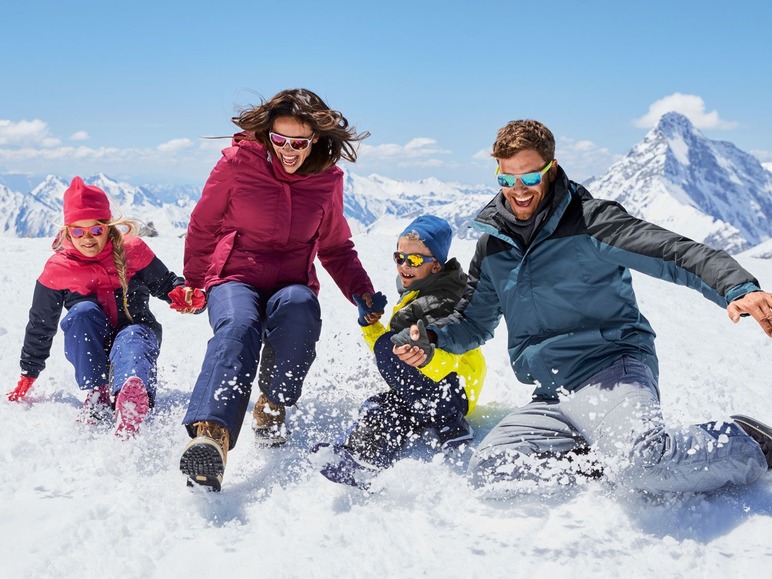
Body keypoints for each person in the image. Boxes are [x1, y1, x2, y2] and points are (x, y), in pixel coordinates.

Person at [392, 119, 772, 495]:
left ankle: (748, 442)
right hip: (552, 394)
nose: (518, 190)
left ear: (551, 169)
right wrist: (432, 337)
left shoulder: (591, 223)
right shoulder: (494, 247)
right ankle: (606, 455)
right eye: (507, 180)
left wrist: (735, 286)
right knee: (491, 468)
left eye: (529, 177)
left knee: (645, 462)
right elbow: (472, 323)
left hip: (611, 370)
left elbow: (673, 253)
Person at [178, 88, 385, 491]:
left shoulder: (327, 179)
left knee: (301, 308)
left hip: (291, 280)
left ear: (315, 141)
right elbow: (203, 225)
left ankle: (272, 402)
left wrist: (361, 291)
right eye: (279, 140)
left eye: (298, 142)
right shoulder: (237, 164)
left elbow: (335, 246)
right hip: (235, 274)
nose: (288, 150)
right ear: (267, 135)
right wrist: (194, 282)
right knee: (239, 327)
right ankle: (212, 435)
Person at [7, 176, 195, 438]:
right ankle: (98, 393)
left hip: (137, 334)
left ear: (108, 227)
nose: (87, 239)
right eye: (78, 231)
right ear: (67, 231)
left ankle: (131, 395)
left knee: (132, 337)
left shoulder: (133, 251)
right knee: (81, 314)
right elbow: (41, 323)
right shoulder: (58, 268)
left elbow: (165, 284)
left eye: (95, 230)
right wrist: (29, 371)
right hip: (93, 346)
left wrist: (185, 297)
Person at [317, 215, 486, 487]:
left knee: (389, 348)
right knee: (381, 407)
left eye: (415, 260)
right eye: (400, 257)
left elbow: (451, 355)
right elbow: (393, 354)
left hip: (452, 389)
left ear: (436, 266)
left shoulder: (444, 301)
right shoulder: (419, 293)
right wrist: (370, 325)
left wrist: (425, 356)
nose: (404, 265)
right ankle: (363, 461)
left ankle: (450, 422)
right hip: (427, 389)